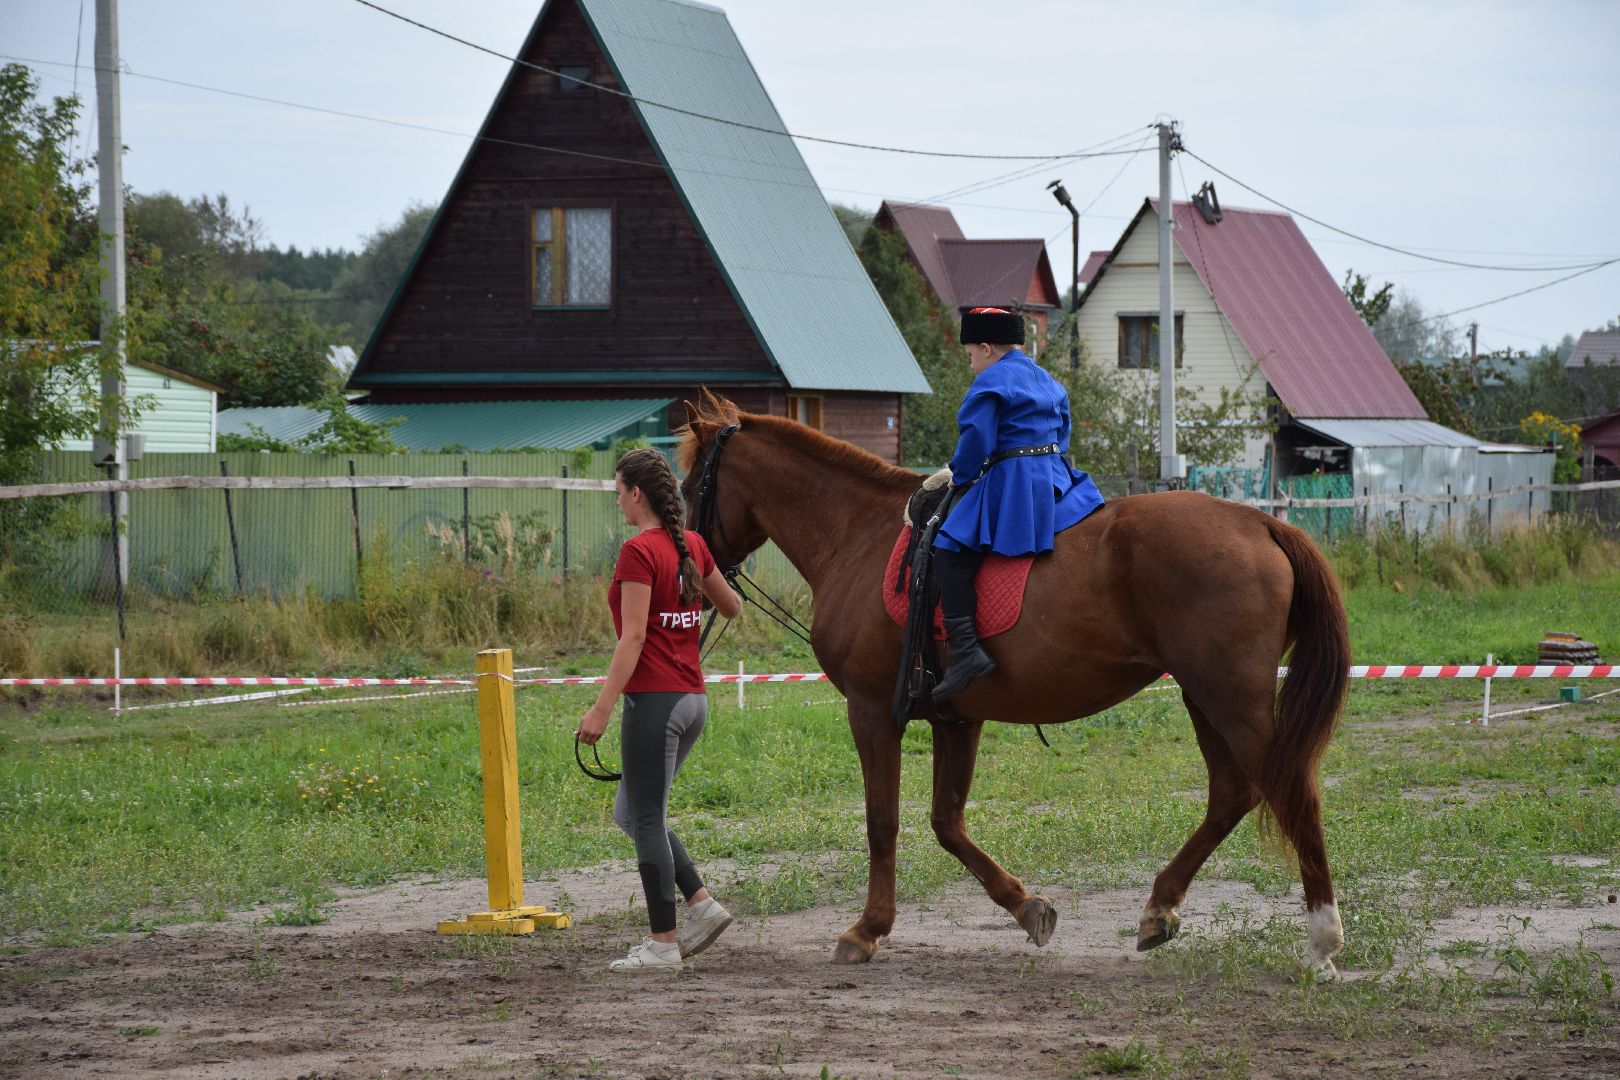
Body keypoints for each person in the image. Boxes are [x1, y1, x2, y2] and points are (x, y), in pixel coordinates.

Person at [577, 447, 743, 973]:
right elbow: (732, 606)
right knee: (632, 812)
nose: (617, 499)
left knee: (646, 815)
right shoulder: (691, 544)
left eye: (619, 489)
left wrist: (601, 708)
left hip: (655, 702)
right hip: (693, 699)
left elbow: (633, 638)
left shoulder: (637, 552)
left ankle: (663, 944)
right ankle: (701, 904)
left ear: (637, 493)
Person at [929, 306, 1106, 701]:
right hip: (1054, 477)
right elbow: (1063, 432)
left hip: (1012, 479)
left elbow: (976, 438)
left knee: (949, 551)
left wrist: (962, 473)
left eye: (971, 355)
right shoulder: (1046, 378)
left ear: (988, 348)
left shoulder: (989, 382)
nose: (972, 364)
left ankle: (966, 653)